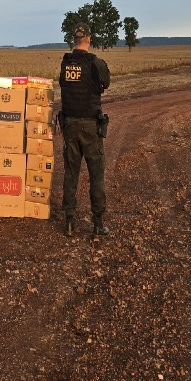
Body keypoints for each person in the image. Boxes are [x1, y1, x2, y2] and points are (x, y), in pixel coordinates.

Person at [59, 22, 111, 237]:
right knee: (96, 174)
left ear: (74, 40)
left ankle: (70, 222)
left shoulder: (66, 63)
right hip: (90, 125)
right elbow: (106, 83)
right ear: (89, 39)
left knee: (71, 173)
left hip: (69, 124)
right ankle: (98, 224)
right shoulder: (95, 63)